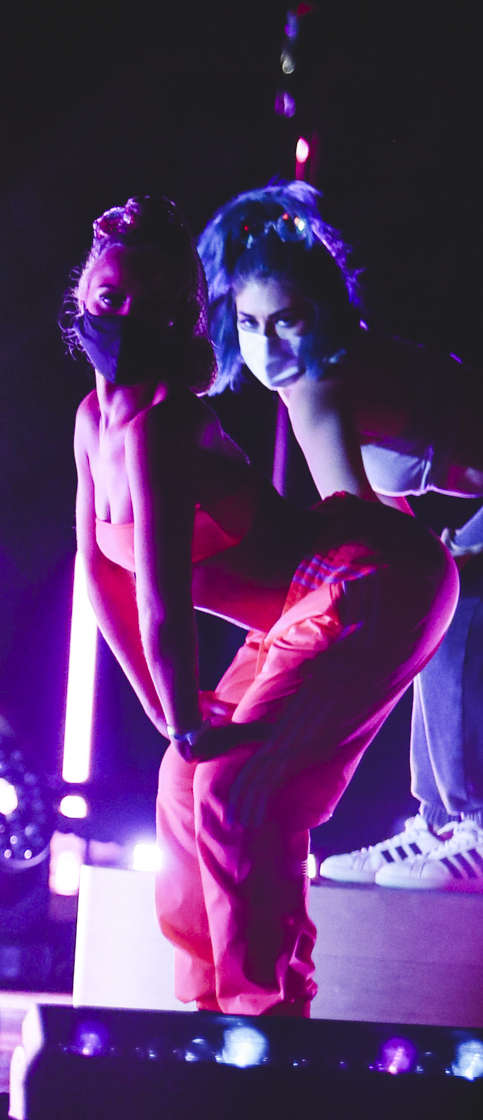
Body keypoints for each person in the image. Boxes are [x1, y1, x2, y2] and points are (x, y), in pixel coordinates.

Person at [70, 195, 455, 1015]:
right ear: (82, 298)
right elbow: (101, 578)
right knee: (185, 780)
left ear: (183, 320)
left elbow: (166, 597)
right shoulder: (91, 422)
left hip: (371, 572)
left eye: (152, 307)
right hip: (310, 594)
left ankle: (271, 1027)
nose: (126, 318)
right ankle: (208, 1019)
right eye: (110, 301)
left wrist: (185, 712)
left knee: (236, 788)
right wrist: (172, 715)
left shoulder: (161, 425)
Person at [200, 182, 483, 892]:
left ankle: (472, 826)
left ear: (321, 312)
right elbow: (392, 521)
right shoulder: (326, 377)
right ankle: (443, 822)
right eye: (251, 322)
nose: (269, 345)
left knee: (448, 623)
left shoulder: (322, 385)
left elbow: (360, 533)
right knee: (436, 612)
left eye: (287, 320)